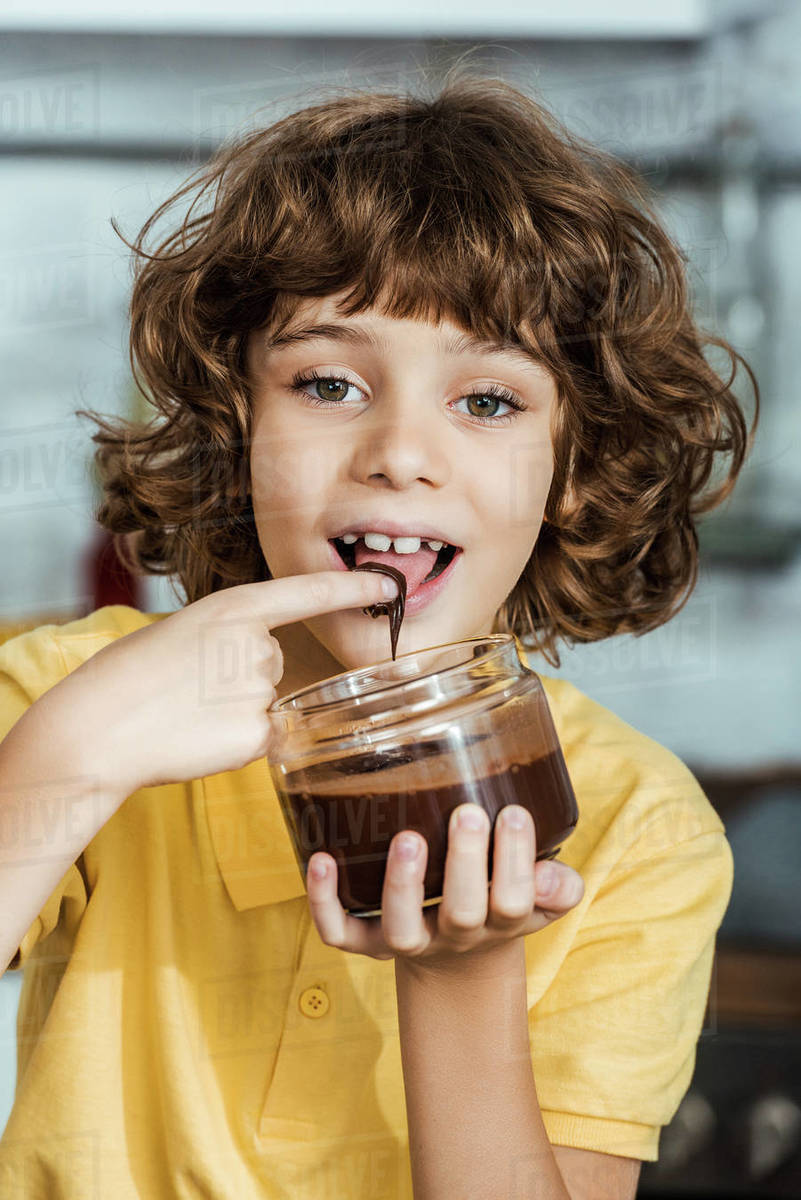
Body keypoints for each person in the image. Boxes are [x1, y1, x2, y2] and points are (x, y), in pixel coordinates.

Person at [0, 69, 758, 1199]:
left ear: (570, 467)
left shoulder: (641, 830)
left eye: (488, 400)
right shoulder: (67, 693)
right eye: (328, 383)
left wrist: (464, 980)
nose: (400, 451)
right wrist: (68, 758)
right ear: (234, 425)